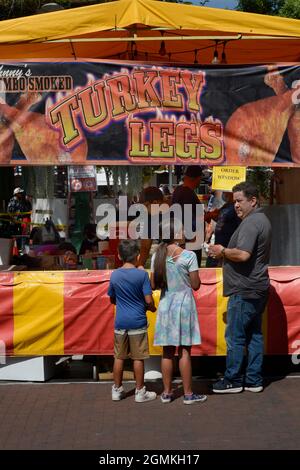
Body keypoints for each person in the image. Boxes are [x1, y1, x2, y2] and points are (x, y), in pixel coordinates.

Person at [208, 182, 272, 393]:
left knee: (235, 336)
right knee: (254, 335)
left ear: (253, 201)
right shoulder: (259, 220)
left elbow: (243, 255)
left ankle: (233, 380)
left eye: (239, 201)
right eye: (234, 201)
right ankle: (254, 379)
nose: (235, 205)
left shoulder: (252, 223)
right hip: (255, 286)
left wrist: (222, 251)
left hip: (245, 289)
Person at [150, 220, 207, 405]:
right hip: (184, 305)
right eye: (182, 229)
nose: (184, 232)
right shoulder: (189, 256)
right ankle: (188, 394)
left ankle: (166, 393)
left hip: (166, 305)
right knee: (184, 351)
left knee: (167, 351)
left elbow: (152, 285)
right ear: (174, 233)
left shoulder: (157, 256)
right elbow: (196, 285)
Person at [108, 239, 157, 403]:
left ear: (119, 255)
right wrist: (152, 308)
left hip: (120, 322)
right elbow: (149, 300)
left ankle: (117, 389)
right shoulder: (142, 275)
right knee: (138, 358)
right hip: (138, 321)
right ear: (137, 256)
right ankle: (139, 391)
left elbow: (112, 299)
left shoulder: (114, 275)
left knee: (119, 357)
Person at [171, 166, 203, 266]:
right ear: (196, 178)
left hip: (184, 241)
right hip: (190, 242)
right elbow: (188, 220)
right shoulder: (187, 193)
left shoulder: (179, 190)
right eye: (200, 179)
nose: (200, 182)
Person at [205, 191, 241, 268]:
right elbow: (220, 218)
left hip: (227, 245)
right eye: (223, 192)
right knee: (210, 266)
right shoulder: (226, 205)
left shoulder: (236, 207)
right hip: (218, 243)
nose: (224, 194)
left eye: (226, 192)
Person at [138, 186, 167, 268]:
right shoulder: (151, 216)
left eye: (145, 207)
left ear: (155, 203)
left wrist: (138, 266)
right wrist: (138, 266)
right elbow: (145, 247)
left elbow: (145, 248)